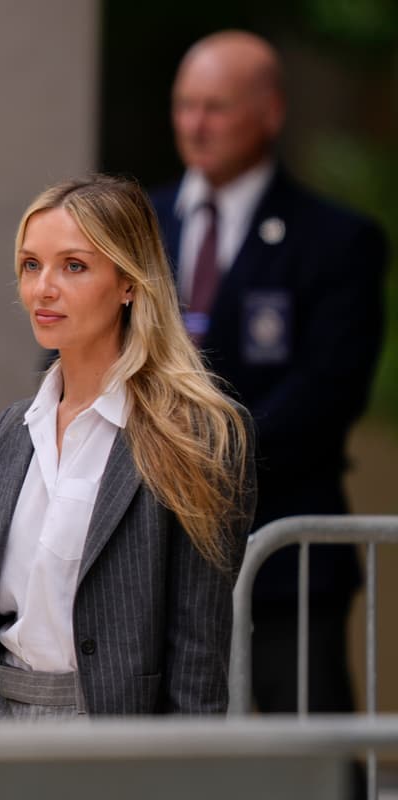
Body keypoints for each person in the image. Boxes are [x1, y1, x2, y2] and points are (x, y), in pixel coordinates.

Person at [0, 175, 255, 718]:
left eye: (74, 266)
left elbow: (197, 655)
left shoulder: (196, 435)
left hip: (109, 733)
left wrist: (182, 762)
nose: (43, 288)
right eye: (31, 265)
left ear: (129, 283)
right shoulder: (16, 429)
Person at [150, 30, 387, 716]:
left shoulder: (336, 240)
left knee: (309, 756)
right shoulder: (137, 225)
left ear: (271, 112)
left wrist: (197, 457)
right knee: (162, 761)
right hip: (154, 561)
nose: (195, 124)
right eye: (184, 105)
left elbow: (326, 392)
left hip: (283, 560)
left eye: (216, 107)